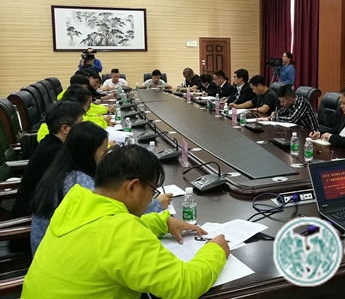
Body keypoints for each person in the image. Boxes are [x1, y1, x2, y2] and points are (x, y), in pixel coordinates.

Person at [22, 145, 229, 299]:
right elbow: (184, 285)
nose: (151, 198)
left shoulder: (76, 202)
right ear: (132, 188)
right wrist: (215, 251)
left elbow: (105, 232)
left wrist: (164, 221)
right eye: (152, 191)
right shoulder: (120, 231)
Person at [31, 122, 173, 255]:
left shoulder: (62, 169)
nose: (107, 156)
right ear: (88, 153)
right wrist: (157, 204)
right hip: (61, 253)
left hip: (51, 251)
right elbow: (120, 213)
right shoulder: (80, 184)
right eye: (105, 151)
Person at [12, 100, 85, 217]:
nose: (84, 127)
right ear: (65, 129)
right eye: (81, 123)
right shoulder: (54, 152)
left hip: (48, 204)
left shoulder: (53, 141)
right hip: (36, 212)